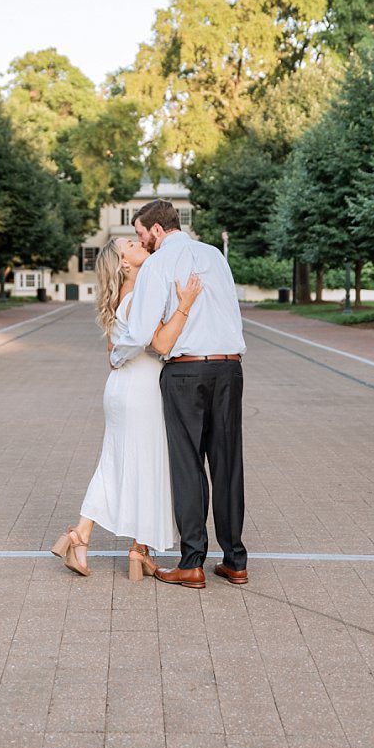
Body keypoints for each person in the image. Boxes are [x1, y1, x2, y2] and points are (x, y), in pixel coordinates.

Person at [112, 199, 248, 590]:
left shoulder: (158, 263)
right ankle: (235, 560)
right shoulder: (215, 256)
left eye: (140, 234)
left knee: (188, 464)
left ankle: (192, 562)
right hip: (228, 366)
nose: (141, 242)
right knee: (227, 463)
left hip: (185, 369)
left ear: (156, 231)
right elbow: (232, 312)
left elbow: (139, 333)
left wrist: (118, 357)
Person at [51, 237, 202, 579]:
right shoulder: (138, 297)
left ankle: (82, 536)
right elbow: (161, 342)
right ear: (124, 263)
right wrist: (185, 305)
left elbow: (112, 354)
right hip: (144, 388)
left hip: (120, 388)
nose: (141, 244)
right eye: (132, 244)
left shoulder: (117, 299)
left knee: (116, 463)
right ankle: (137, 549)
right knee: (147, 466)